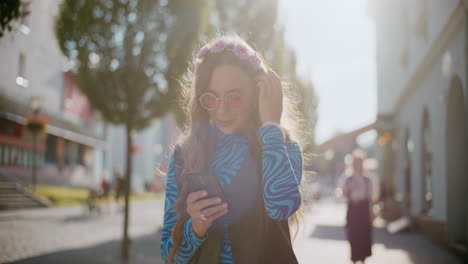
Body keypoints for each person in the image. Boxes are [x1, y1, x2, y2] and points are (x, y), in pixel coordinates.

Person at [160, 35, 305, 264]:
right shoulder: (184, 156)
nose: (222, 111)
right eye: (211, 98)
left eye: (234, 97)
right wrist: (195, 228)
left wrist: (271, 126)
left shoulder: (283, 148)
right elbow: (170, 257)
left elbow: (280, 207)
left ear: (257, 95)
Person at [342, 150, 373, 263]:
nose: (357, 165)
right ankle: (354, 258)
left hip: (363, 209)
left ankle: (363, 259)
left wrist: (371, 213)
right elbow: (344, 194)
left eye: (359, 162)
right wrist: (349, 187)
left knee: (364, 234)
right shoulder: (348, 178)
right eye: (356, 163)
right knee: (353, 234)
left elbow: (370, 198)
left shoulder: (367, 180)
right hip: (353, 209)